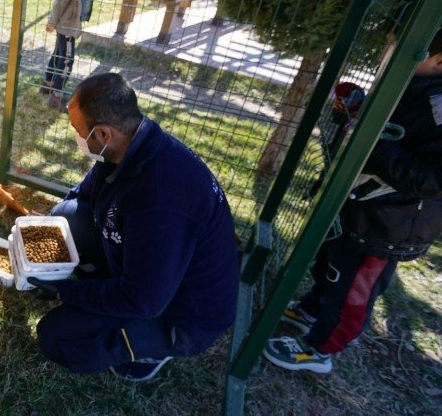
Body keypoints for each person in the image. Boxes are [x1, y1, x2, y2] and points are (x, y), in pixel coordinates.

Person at [28, 73, 239, 381]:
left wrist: (66, 290)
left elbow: (143, 300)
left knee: (56, 335)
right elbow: (82, 196)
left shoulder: (160, 199)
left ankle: (150, 349)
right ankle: (105, 290)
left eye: (77, 129)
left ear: (102, 133)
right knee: (66, 214)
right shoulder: (129, 145)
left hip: (179, 313)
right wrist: (42, 230)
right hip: (154, 275)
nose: (75, 135)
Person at [264, 28, 442, 374]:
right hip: (357, 205)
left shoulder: (438, 109)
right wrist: (352, 110)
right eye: (388, 48)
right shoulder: (406, 86)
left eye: (397, 51)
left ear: (438, 61)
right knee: (331, 264)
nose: (384, 57)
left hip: (387, 223)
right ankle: (313, 309)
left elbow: (430, 180)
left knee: (353, 291)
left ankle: (321, 349)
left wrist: (370, 140)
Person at [43, 0, 128, 109]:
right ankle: (56, 98)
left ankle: (47, 86)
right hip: (66, 26)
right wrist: (52, 22)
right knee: (66, 61)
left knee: (58, 55)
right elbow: (60, 1)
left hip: (72, 24)